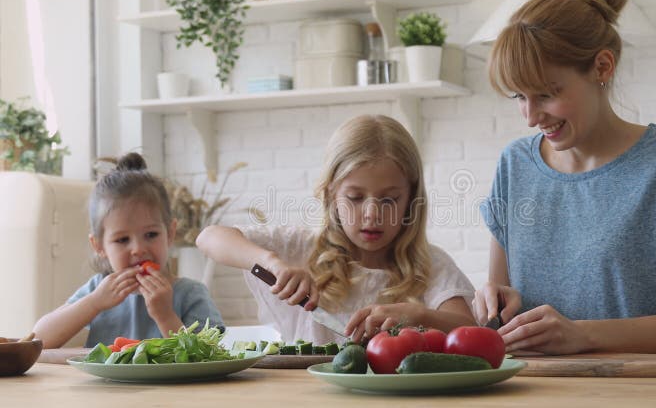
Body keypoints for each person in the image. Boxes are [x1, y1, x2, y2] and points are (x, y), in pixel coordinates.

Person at [473, 0, 656, 356]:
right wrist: (493, 303)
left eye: (545, 94)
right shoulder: (514, 165)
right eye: (518, 97)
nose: (530, 117)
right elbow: (500, 317)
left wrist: (580, 335)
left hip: (648, 391)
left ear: (602, 67)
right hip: (536, 391)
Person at [196, 115, 475, 344]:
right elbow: (208, 237)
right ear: (331, 195)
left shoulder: (430, 265)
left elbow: (472, 330)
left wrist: (420, 316)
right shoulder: (298, 249)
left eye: (389, 199)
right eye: (355, 197)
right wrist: (273, 264)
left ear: (411, 200)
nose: (372, 214)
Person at [33, 153, 225, 348]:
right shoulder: (99, 290)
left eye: (150, 235)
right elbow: (38, 340)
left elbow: (208, 354)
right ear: (99, 246)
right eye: (122, 239)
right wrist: (93, 303)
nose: (138, 250)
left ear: (169, 234)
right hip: (108, 380)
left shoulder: (190, 293)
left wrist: (165, 316)